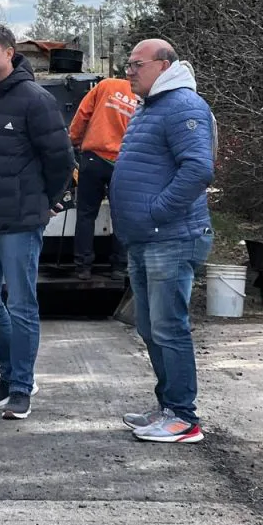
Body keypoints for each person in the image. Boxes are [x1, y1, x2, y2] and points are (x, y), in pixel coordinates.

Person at [0, 24, 74, 420]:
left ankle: (22, 386)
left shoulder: (35, 100)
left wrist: (46, 203)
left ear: (10, 53)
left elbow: (61, 160)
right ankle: (11, 374)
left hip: (20, 223)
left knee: (22, 304)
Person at [110, 39, 216, 444]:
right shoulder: (153, 105)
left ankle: (184, 419)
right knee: (151, 327)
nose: (129, 71)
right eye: (128, 63)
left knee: (169, 328)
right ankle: (168, 407)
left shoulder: (184, 106)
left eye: (136, 64)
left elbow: (198, 170)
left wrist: (155, 212)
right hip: (146, 239)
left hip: (170, 237)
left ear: (164, 64)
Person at [68, 77, 139, 280]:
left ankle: (83, 266)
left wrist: (73, 139)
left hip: (93, 158)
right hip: (123, 162)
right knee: (121, 216)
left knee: (86, 214)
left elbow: (83, 114)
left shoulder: (105, 85)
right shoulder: (142, 96)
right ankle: (118, 266)